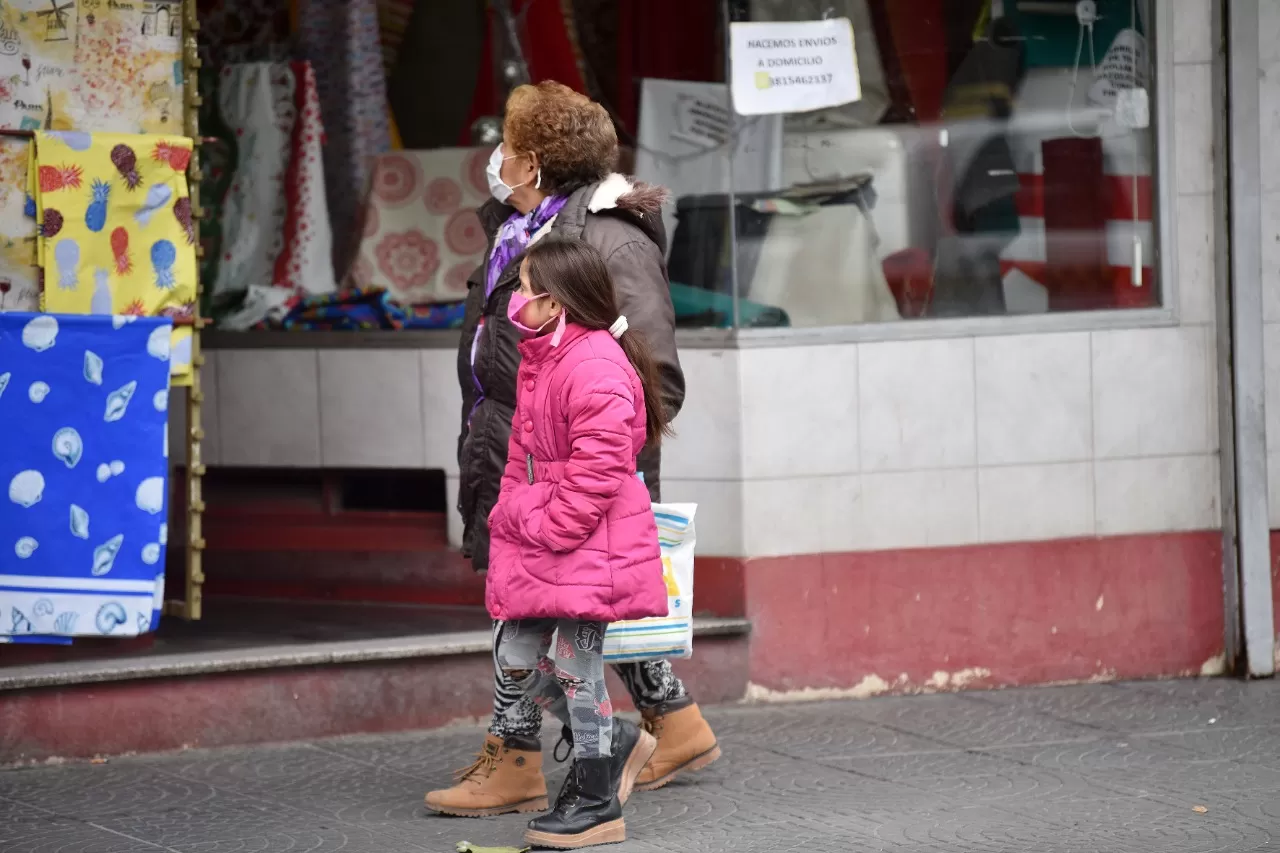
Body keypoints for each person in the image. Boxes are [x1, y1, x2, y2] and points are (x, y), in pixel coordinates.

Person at [428, 80, 718, 818]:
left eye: (508, 147)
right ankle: (673, 722)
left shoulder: (607, 239)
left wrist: (571, 471)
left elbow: (656, 382)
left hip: (567, 474)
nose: (496, 159)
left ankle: (524, 754)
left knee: (535, 615)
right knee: (557, 607)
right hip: (511, 452)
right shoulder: (516, 232)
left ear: (532, 161)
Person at [487, 237, 672, 848]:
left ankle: (596, 798)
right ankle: (613, 741)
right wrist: (510, 514)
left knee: (574, 667)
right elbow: (522, 458)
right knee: (518, 655)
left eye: (523, 288)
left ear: (556, 301)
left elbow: (592, 481)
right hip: (549, 541)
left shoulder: (594, 366)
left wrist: (534, 523)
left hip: (592, 548)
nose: (516, 299)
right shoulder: (543, 358)